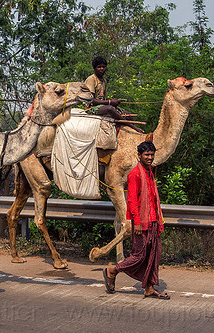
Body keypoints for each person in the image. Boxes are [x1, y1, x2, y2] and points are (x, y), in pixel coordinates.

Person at [102, 141, 170, 299]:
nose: (150, 157)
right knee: (138, 255)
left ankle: (149, 288)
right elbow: (132, 201)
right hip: (142, 223)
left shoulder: (149, 172)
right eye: (147, 154)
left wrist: (158, 220)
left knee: (153, 255)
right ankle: (112, 271)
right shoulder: (135, 174)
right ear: (139, 156)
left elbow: (152, 199)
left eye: (152, 154)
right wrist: (136, 223)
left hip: (153, 220)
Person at [84, 56, 143, 133]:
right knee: (110, 109)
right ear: (95, 68)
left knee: (128, 114)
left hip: (101, 106)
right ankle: (133, 127)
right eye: (99, 67)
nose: (102, 69)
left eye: (103, 67)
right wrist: (110, 102)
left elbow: (102, 98)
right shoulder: (91, 79)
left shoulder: (104, 81)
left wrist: (113, 102)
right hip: (91, 108)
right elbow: (90, 100)